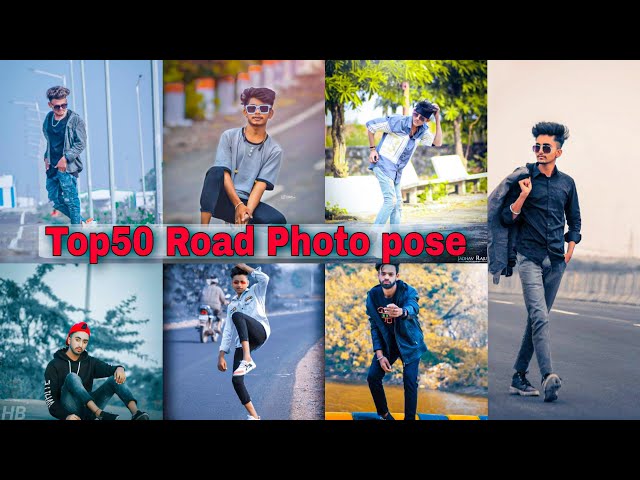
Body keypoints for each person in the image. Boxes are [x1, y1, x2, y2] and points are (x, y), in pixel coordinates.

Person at [500, 122, 581, 402]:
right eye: (536, 146)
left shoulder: (567, 183)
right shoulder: (524, 177)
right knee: (540, 317)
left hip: (556, 261)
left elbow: (575, 221)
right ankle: (548, 376)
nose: (540, 151)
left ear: (558, 152)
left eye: (546, 147)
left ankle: (518, 377)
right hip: (529, 257)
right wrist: (522, 195)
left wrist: (570, 248)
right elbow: (506, 218)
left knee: (537, 319)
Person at [199, 87, 286, 225]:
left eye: (263, 109)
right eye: (252, 108)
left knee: (278, 221)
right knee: (216, 172)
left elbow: (260, 186)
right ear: (245, 112)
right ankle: (202, 233)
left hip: (247, 202)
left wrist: (246, 212)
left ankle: (247, 241)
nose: (257, 112)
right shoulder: (229, 136)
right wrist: (237, 204)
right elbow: (224, 174)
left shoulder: (274, 150)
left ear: (270, 113)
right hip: (221, 199)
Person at [43, 321, 149, 420]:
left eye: (85, 341)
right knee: (72, 377)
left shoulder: (90, 362)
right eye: (77, 339)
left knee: (114, 378)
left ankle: (136, 414)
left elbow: (111, 369)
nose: (80, 345)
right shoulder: (54, 365)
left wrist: (120, 368)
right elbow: (50, 400)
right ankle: (99, 413)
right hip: (70, 411)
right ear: (69, 340)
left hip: (89, 410)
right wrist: (66, 416)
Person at [366, 100, 443, 225]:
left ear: (427, 120)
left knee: (397, 205)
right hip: (383, 164)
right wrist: (372, 150)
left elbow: (437, 143)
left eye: (421, 118)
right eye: (415, 114)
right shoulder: (397, 122)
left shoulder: (422, 131)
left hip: (396, 171)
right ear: (413, 112)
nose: (417, 119)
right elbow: (371, 126)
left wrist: (437, 118)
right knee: (390, 201)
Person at [366, 263, 427, 420]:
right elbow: (375, 326)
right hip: (389, 345)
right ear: (378, 275)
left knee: (410, 382)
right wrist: (380, 355)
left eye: (390, 274)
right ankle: (385, 415)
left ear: (396, 276)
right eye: (383, 273)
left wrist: (402, 311)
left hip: (409, 343)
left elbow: (413, 307)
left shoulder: (407, 291)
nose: (386, 277)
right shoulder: (372, 296)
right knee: (373, 377)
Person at [217, 263, 271, 420]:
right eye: (236, 282)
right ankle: (255, 417)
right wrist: (221, 355)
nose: (239, 284)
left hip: (259, 331)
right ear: (232, 283)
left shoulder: (256, 291)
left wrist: (244, 266)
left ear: (247, 282)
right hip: (243, 340)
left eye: (242, 281)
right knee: (236, 380)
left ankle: (247, 358)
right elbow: (228, 331)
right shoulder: (232, 305)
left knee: (238, 316)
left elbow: (265, 279)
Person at [42, 86, 92, 226]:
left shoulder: (75, 120)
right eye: (57, 107)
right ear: (50, 105)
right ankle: (83, 222)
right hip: (52, 167)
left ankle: (77, 233)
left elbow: (81, 143)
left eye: (64, 105)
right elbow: (49, 140)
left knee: (72, 200)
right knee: (54, 200)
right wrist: (46, 156)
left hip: (67, 167)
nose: (61, 109)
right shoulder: (48, 118)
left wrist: (66, 158)